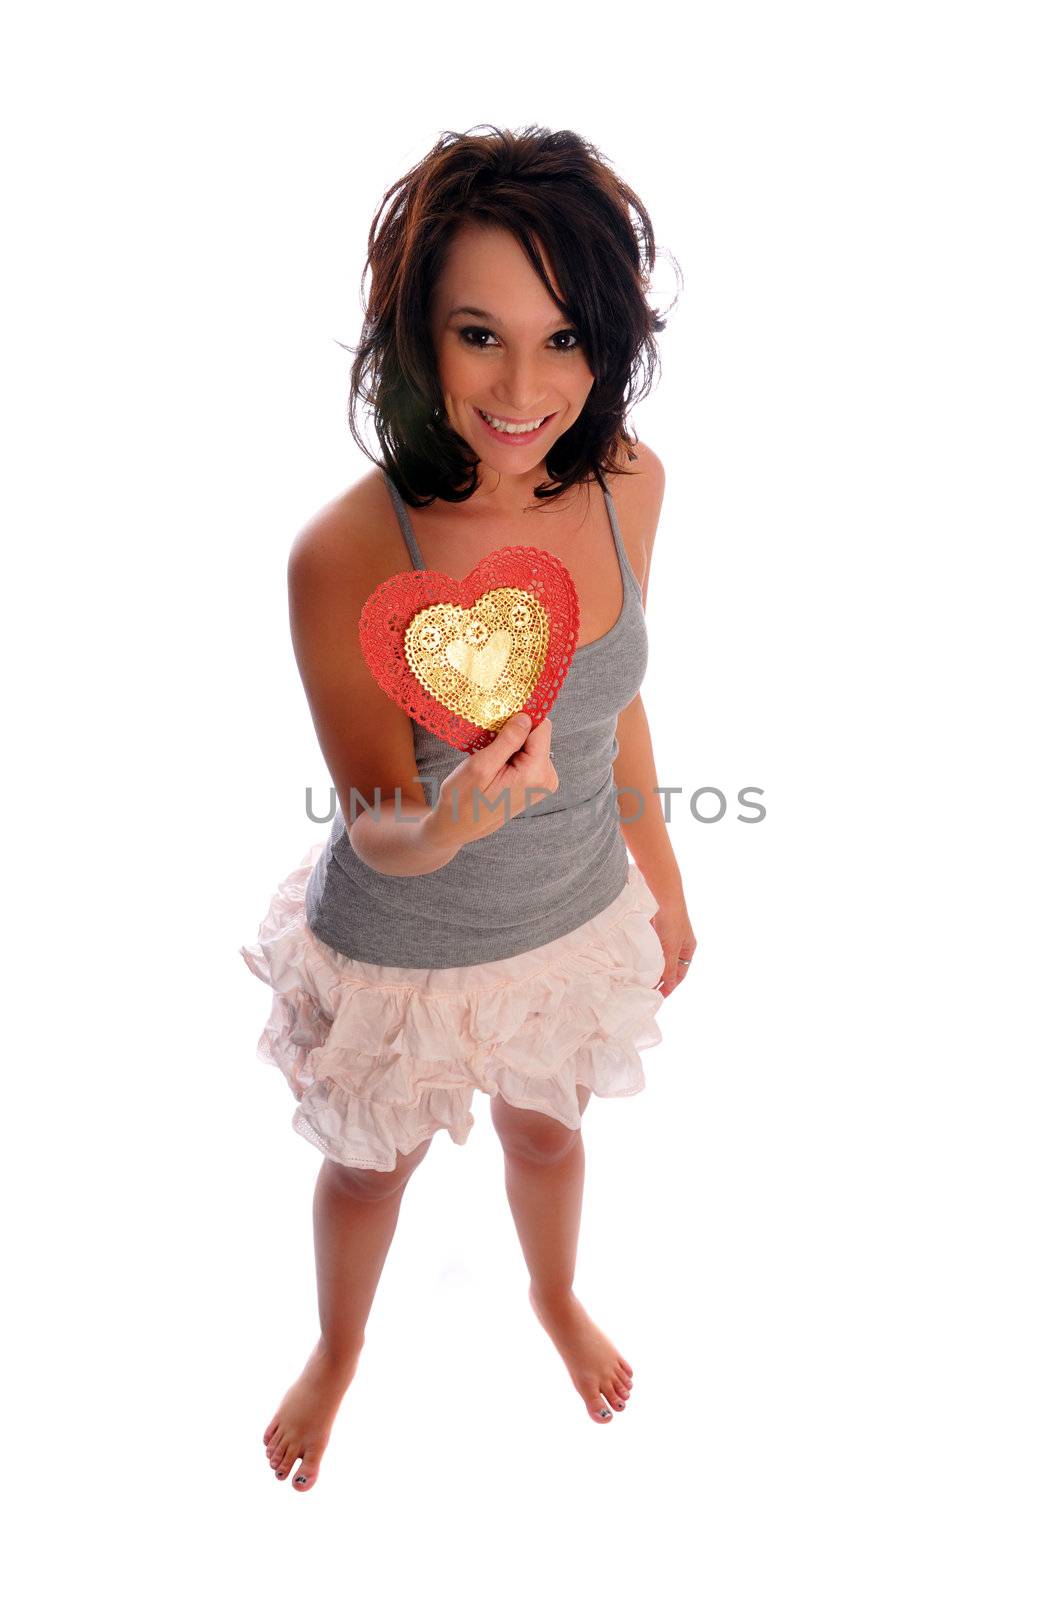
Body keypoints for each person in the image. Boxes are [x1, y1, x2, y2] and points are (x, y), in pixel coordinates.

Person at [239, 123, 697, 1492]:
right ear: (410, 337)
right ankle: (338, 1350)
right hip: (406, 946)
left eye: (566, 339)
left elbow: (615, 696)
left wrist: (663, 863)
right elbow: (379, 811)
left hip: (570, 915)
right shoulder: (344, 553)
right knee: (370, 1173)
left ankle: (554, 1300)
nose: (524, 387)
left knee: (551, 1130)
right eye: (479, 334)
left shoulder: (631, 485)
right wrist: (449, 825)